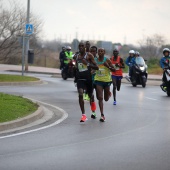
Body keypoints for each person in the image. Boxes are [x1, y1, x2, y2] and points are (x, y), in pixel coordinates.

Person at [75, 42, 99, 122]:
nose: (81, 47)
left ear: (85, 47)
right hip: (80, 79)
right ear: (78, 47)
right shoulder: (77, 56)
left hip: (88, 79)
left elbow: (96, 67)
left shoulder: (89, 55)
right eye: (80, 46)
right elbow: (77, 67)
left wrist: (88, 64)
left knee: (91, 96)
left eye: (82, 46)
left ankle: (93, 112)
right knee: (80, 94)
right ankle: (83, 115)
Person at [94, 48, 115, 122]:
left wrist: (108, 66)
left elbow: (114, 70)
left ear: (104, 52)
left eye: (101, 51)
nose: (100, 52)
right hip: (98, 80)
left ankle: (108, 93)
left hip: (107, 81)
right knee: (100, 98)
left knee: (106, 99)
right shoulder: (95, 60)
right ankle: (102, 115)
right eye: (99, 51)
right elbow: (93, 68)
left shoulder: (107, 60)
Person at [89, 46, 98, 119]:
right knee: (91, 96)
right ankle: (93, 112)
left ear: (96, 52)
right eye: (91, 51)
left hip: (98, 80)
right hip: (90, 79)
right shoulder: (87, 59)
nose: (92, 53)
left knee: (99, 96)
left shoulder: (98, 59)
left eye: (94, 51)